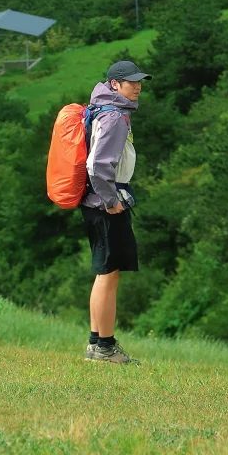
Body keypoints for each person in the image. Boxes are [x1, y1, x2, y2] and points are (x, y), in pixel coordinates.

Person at [81, 59, 150, 363]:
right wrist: (111, 202)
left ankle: (97, 344)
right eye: (130, 82)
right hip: (105, 203)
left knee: (105, 272)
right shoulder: (113, 117)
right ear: (114, 85)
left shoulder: (103, 110)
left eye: (139, 81)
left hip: (95, 202)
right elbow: (96, 165)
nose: (137, 86)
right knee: (109, 273)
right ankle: (105, 347)